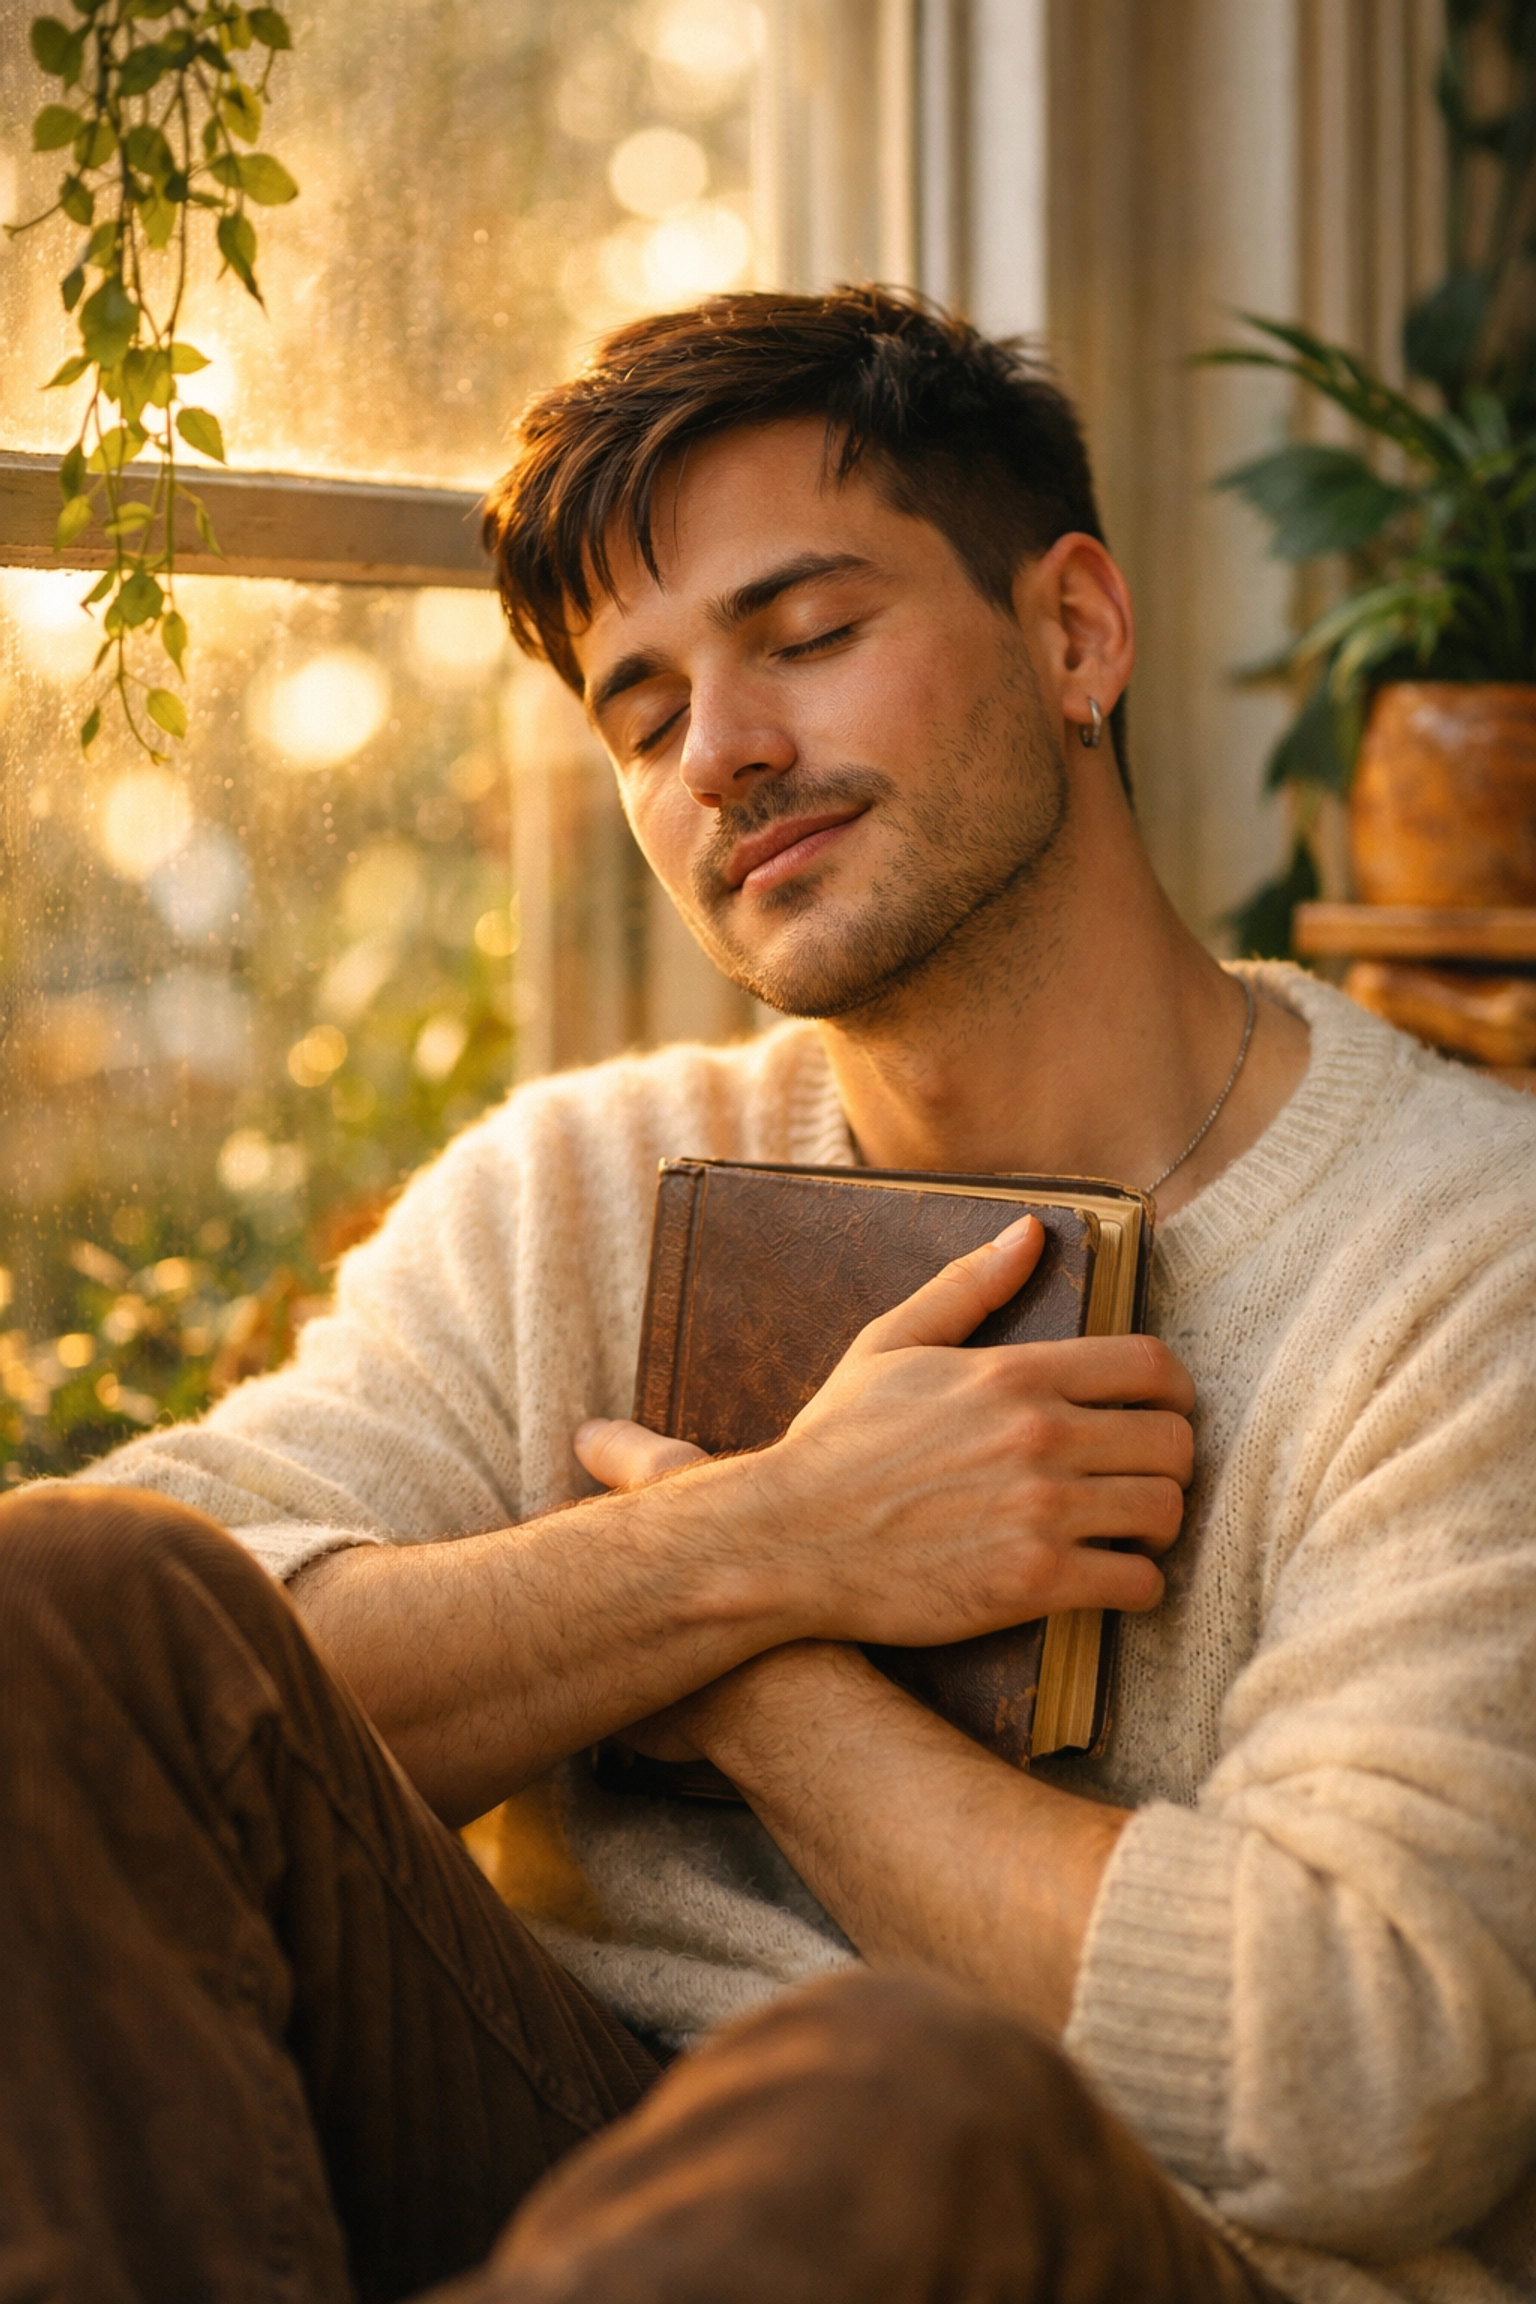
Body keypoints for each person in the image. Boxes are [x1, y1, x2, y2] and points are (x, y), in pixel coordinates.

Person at [3, 287, 1534, 2304]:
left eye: (807, 636)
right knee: (66, 1597)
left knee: (890, 2102)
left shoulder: (1468, 1256)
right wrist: (768, 1545)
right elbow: (164, 1665)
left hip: (1111, 2237)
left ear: (1075, 632)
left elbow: (1361, 2076)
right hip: (543, 2127)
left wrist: (758, 1687)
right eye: (641, 713)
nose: (723, 753)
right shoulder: (577, 1188)